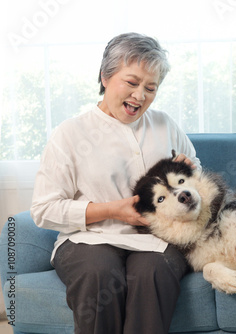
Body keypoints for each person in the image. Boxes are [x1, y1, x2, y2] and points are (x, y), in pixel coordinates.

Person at [30, 32, 200, 334]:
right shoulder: (70, 134)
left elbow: (195, 173)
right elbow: (44, 209)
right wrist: (113, 210)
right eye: (132, 83)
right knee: (98, 273)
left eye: (151, 87)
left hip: (156, 238)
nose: (140, 95)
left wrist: (192, 173)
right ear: (105, 76)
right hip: (89, 240)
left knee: (153, 272)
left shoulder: (165, 125)